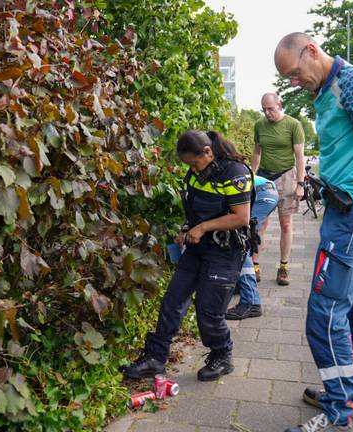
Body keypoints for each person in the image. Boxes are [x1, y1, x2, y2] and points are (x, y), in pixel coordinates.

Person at [274, 33, 353, 432]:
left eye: (296, 73)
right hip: (344, 210)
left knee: (324, 313)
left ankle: (336, 411)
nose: (295, 82)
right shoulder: (329, 87)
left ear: (311, 49)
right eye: (289, 79)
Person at [122, 130, 253, 382]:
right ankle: (155, 359)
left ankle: (222, 355)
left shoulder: (235, 173)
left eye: (194, 163)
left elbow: (241, 217)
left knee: (208, 310)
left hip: (225, 251)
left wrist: (202, 228)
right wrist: (187, 228)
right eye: (188, 166)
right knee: (172, 301)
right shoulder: (194, 173)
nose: (192, 169)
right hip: (197, 248)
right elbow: (193, 209)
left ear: (207, 152)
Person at [252, 92, 306, 285]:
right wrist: (251, 177)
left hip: (286, 177)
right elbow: (257, 152)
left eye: (270, 109)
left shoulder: (293, 125)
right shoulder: (259, 125)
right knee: (259, 224)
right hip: (265, 178)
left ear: (280, 105)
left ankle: (283, 266)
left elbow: (300, 156)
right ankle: (255, 266)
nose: (267, 113)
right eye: (264, 109)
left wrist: (300, 184)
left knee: (286, 224)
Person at [225, 175, 279, 320]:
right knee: (241, 239)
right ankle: (241, 285)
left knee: (239, 242)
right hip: (265, 190)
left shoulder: (212, 172)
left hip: (262, 194)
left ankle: (251, 302)